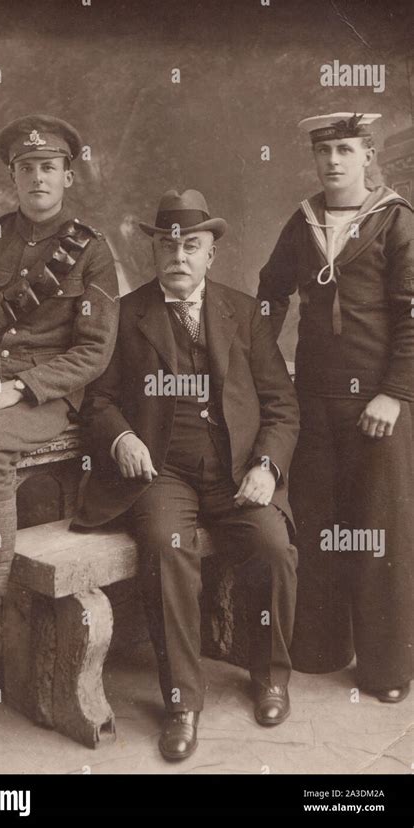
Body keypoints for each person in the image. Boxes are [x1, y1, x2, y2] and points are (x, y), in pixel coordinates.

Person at [71, 189, 299, 761]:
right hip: (162, 472)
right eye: (168, 245)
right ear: (154, 252)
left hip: (237, 471)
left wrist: (267, 467)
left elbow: (281, 405)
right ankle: (182, 702)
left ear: (211, 253)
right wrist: (122, 437)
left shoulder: (244, 313)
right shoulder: (125, 315)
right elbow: (97, 402)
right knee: (165, 545)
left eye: (191, 245)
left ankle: (269, 676)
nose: (178, 255)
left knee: (273, 544)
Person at [0, 114, 119, 687]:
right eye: (26, 169)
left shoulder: (90, 250)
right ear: (12, 178)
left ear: (68, 175)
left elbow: (93, 351)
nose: (38, 178)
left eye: (49, 167)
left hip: (47, 390)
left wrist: (20, 387)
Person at [258, 113, 414, 703]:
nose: (333, 162)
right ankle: (322, 646)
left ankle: (386, 670)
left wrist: (395, 393)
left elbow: (412, 316)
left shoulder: (396, 220)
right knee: (320, 527)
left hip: (379, 406)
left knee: (377, 535)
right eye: (324, 151)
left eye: (346, 149)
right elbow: (269, 299)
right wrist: (260, 373)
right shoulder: (302, 224)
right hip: (314, 402)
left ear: (368, 154)